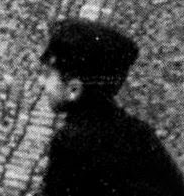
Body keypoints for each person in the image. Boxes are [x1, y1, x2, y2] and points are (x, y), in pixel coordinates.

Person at [39, 17, 184, 195]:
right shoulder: (137, 131)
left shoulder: (71, 143)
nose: (41, 82)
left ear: (74, 90)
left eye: (47, 75)